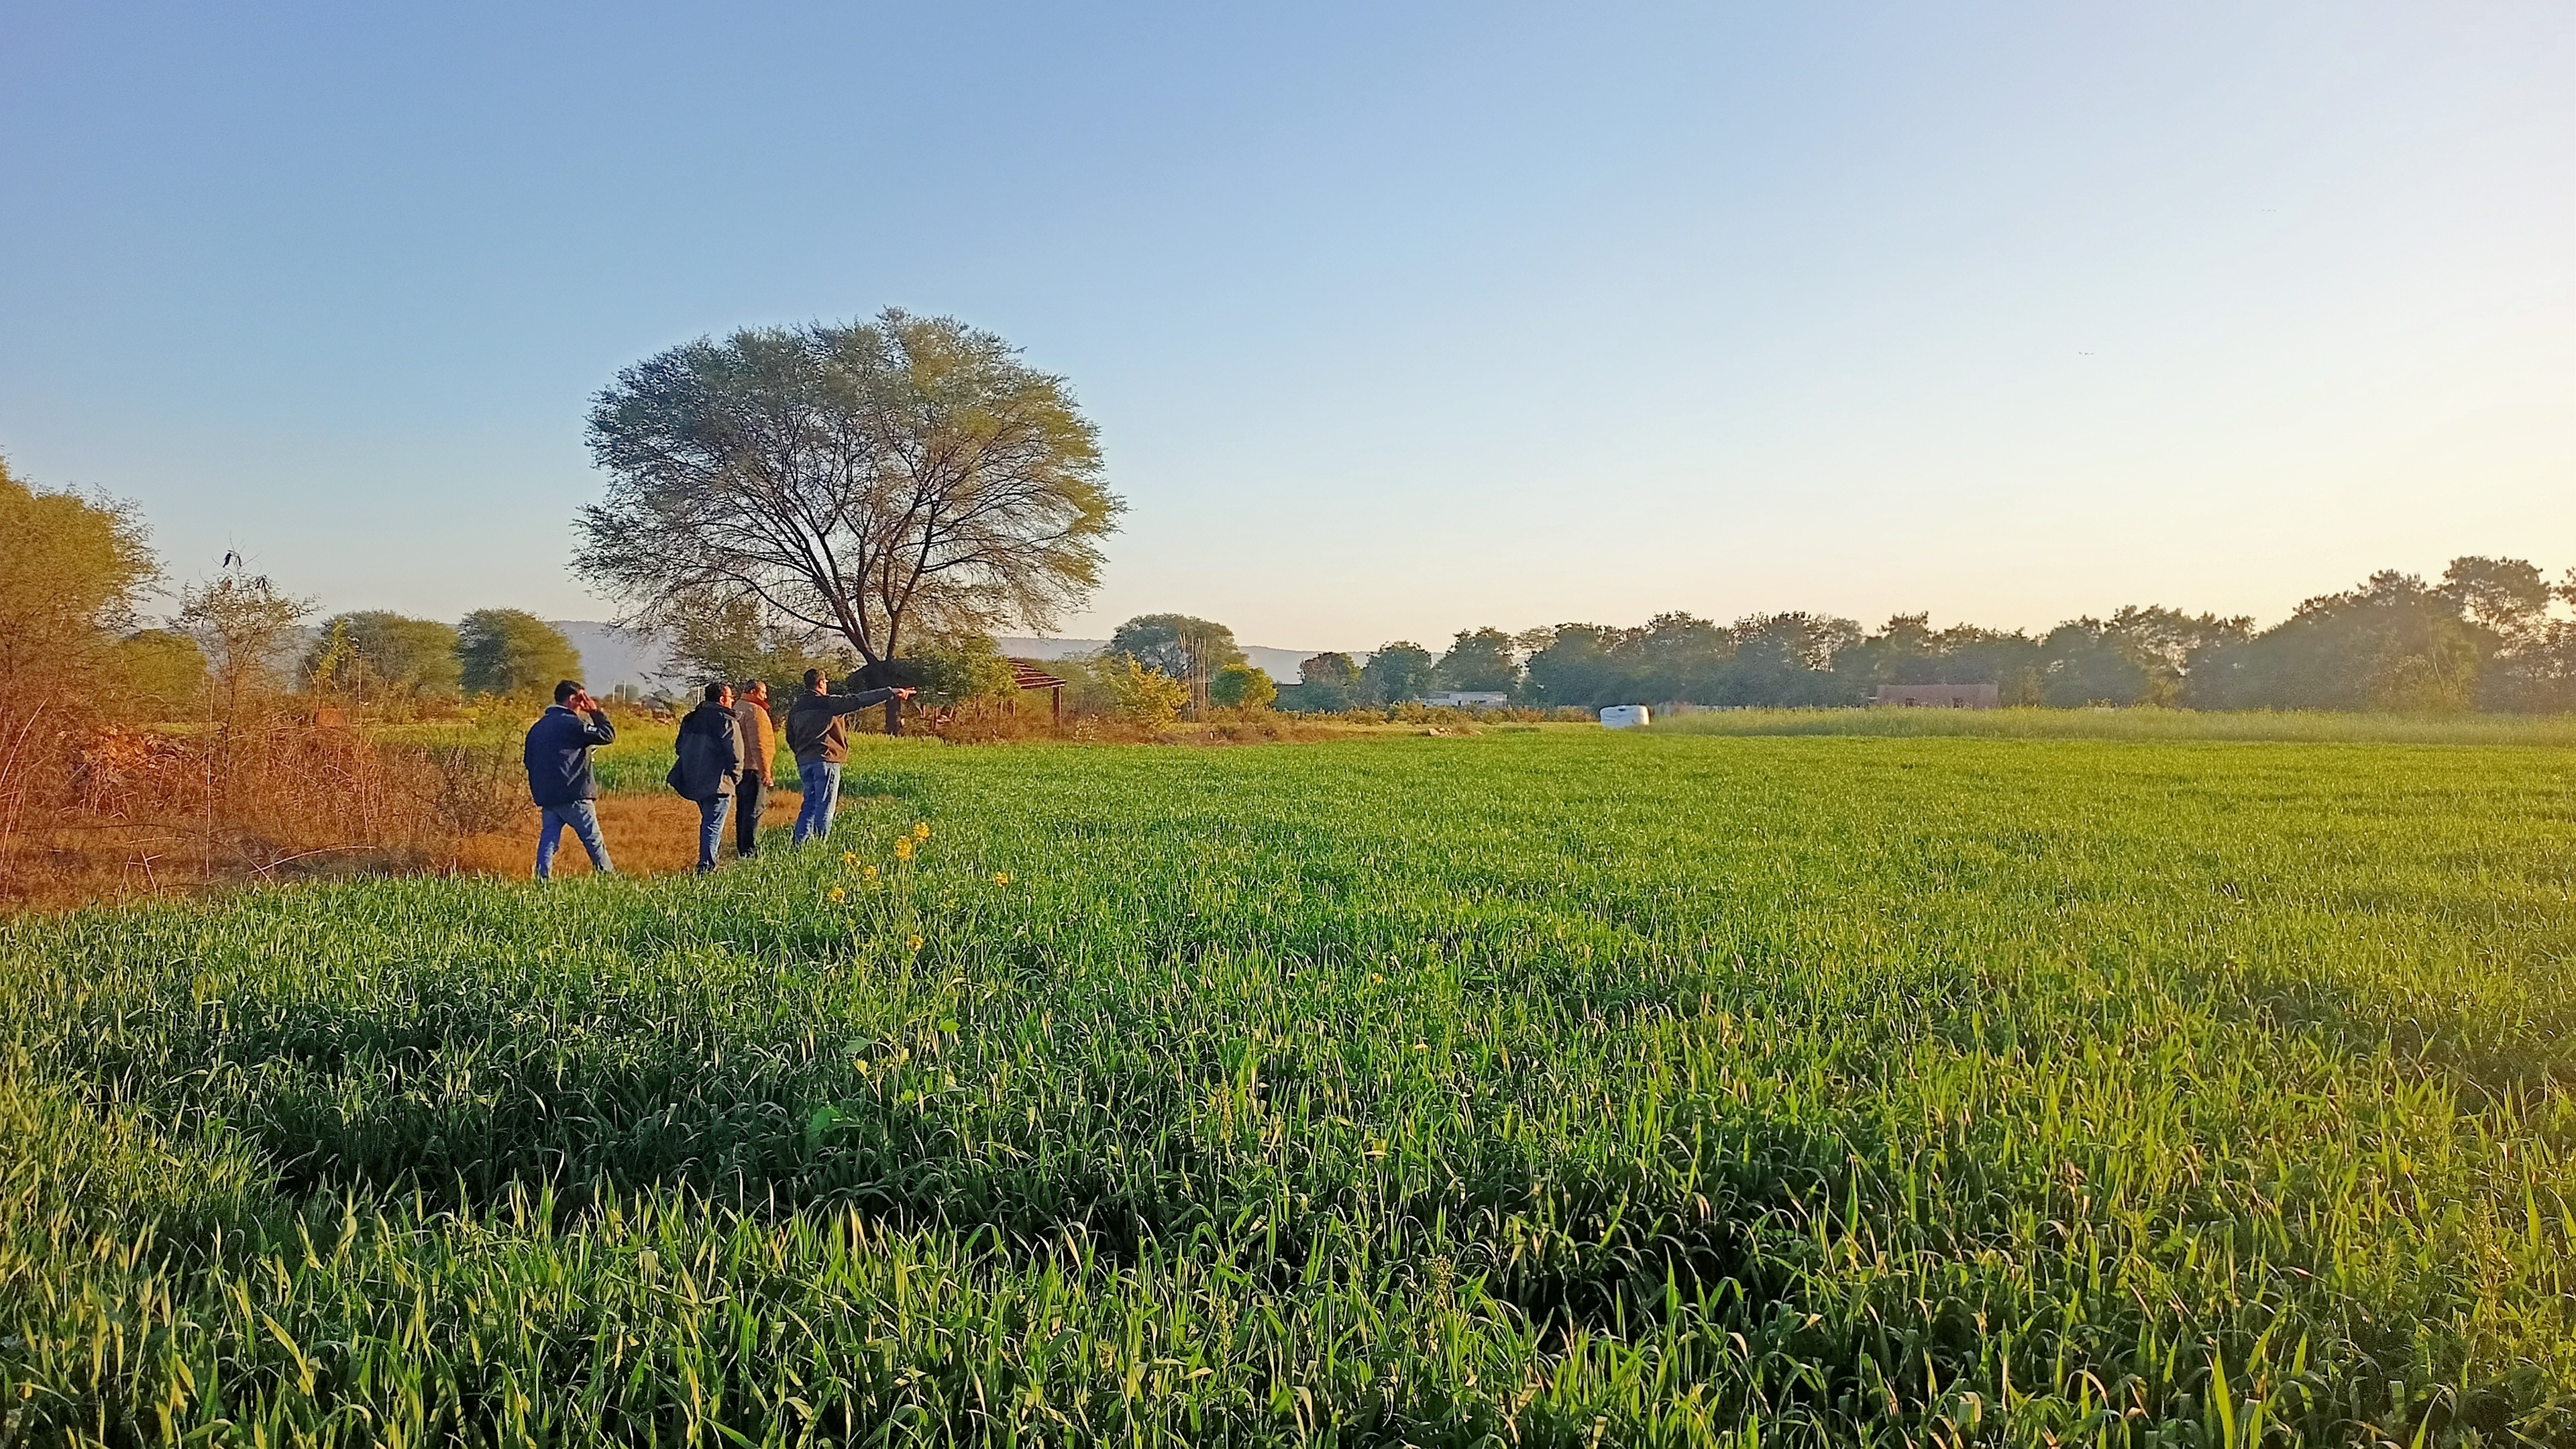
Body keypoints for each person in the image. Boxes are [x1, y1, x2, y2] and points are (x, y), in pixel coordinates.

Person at [786, 668, 914, 845]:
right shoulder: (828, 703)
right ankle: (818, 847)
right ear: (821, 684)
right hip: (826, 759)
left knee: (809, 805)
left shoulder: (796, 709)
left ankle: (800, 845)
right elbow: (859, 700)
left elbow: (790, 737)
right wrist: (890, 692)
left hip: (804, 762)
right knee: (825, 806)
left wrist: (802, 753)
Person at [523, 680, 616, 879]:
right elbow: (607, 735)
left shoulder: (537, 728)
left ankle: (542, 878)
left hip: (547, 796)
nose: (584, 703)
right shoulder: (574, 724)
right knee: (593, 839)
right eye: (582, 698)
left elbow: (528, 761)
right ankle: (609, 877)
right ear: (573, 699)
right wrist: (595, 712)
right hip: (574, 795)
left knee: (549, 839)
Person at [668, 682, 745, 874]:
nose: (732, 700)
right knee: (713, 824)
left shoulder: (691, 719)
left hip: (694, 780)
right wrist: (735, 778)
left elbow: (679, 748)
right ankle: (707, 867)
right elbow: (736, 755)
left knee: (709, 822)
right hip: (718, 783)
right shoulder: (727, 721)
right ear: (722, 699)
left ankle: (708, 862)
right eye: (730, 697)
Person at [731, 678, 775, 859]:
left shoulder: (737, 708)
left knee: (743, 810)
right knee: (754, 810)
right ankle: (749, 851)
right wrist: (766, 772)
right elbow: (759, 744)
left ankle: (742, 847)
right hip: (753, 768)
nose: (765, 696)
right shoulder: (755, 711)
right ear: (755, 692)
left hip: (740, 768)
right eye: (763, 692)